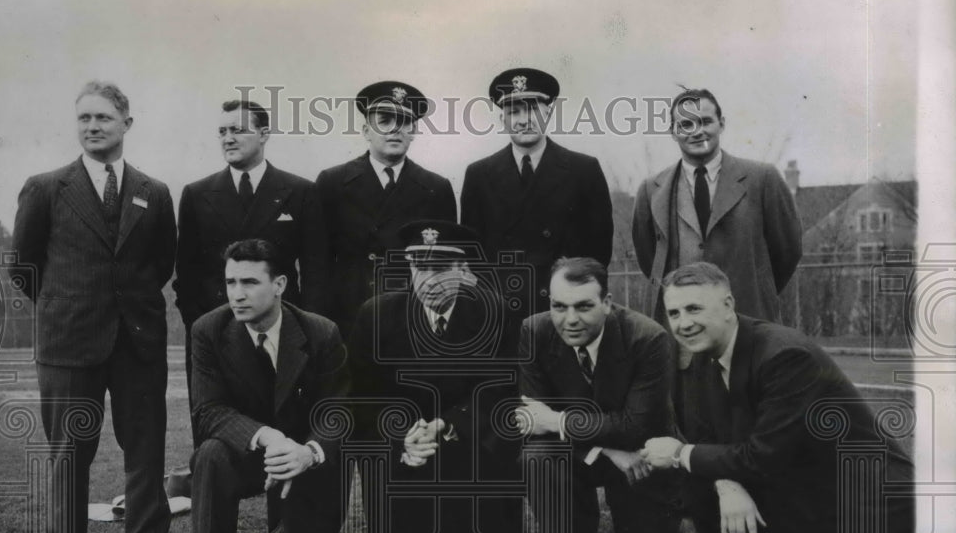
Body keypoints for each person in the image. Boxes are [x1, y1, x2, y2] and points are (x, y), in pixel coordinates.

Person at [641, 262, 914, 533]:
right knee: (699, 482)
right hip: (803, 492)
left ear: (728, 304)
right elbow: (709, 436)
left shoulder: (785, 356)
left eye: (694, 309)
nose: (683, 323)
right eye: (674, 312)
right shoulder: (703, 357)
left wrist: (678, 454)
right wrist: (726, 485)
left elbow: (761, 458)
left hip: (863, 506)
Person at [11, 81, 177, 533]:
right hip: (68, 344)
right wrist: (68, 306)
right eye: (83, 118)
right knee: (67, 450)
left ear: (127, 123)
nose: (92, 127)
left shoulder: (154, 192)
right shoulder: (45, 188)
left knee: (145, 447)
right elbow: (23, 267)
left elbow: (161, 263)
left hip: (138, 342)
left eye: (103, 118)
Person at [347, 220, 521, 533]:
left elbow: (500, 391)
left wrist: (447, 423)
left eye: (439, 268)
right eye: (419, 267)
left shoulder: (496, 314)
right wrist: (402, 437)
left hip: (465, 439)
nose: (427, 280)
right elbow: (363, 397)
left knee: (500, 431)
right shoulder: (376, 315)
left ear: (463, 270)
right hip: (406, 450)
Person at [186, 239, 348, 533]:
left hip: (300, 459)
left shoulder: (320, 331)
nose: (237, 294)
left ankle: (287, 532)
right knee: (209, 453)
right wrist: (267, 436)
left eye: (249, 282)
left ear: (279, 285)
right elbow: (208, 411)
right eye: (230, 282)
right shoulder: (208, 329)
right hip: (246, 452)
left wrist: (309, 452)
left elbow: (337, 412)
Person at [515, 257, 681, 533]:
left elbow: (635, 425)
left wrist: (559, 422)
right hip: (587, 454)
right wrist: (605, 450)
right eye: (559, 306)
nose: (570, 319)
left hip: (640, 454)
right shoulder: (534, 331)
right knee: (539, 456)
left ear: (607, 303)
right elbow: (534, 420)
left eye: (584, 306)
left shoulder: (649, 338)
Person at [174, 99, 330, 404]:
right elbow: (187, 274)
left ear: (264, 134)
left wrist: (307, 330)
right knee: (218, 432)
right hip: (217, 332)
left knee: (285, 428)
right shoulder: (196, 194)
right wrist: (201, 326)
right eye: (222, 131)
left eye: (238, 130)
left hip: (285, 331)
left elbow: (317, 271)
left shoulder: (300, 191)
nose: (228, 138)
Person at [632, 88, 802, 326]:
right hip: (680, 330)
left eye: (705, 121)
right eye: (686, 125)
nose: (697, 131)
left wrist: (755, 290)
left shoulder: (763, 179)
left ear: (721, 124)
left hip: (746, 324)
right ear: (673, 132)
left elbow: (787, 252)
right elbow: (649, 259)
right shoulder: (652, 189)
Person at [460, 68, 614, 326]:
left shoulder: (583, 170)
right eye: (514, 112)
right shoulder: (479, 174)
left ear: (549, 112)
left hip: (565, 311)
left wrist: (574, 300)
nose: (524, 120)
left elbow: (598, 251)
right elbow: (473, 252)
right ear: (502, 119)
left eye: (532, 109)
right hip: (502, 313)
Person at [316, 81, 456, 339]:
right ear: (366, 130)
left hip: (410, 314)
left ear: (413, 131)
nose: (395, 130)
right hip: (348, 314)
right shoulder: (333, 182)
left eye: (403, 122)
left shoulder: (436, 188)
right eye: (384, 120)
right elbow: (317, 262)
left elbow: (444, 266)